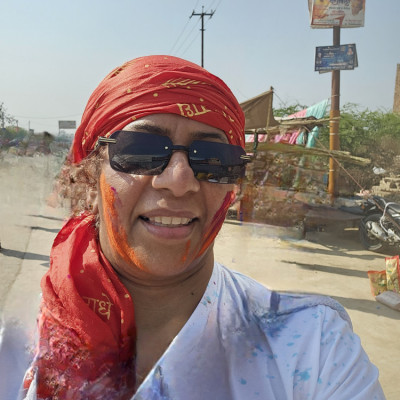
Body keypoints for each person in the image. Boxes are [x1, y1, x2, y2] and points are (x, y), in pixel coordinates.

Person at [16, 55, 384, 399]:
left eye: (212, 159)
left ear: (232, 188)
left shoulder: (313, 350)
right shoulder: (25, 342)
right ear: (89, 180)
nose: (179, 181)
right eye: (141, 150)